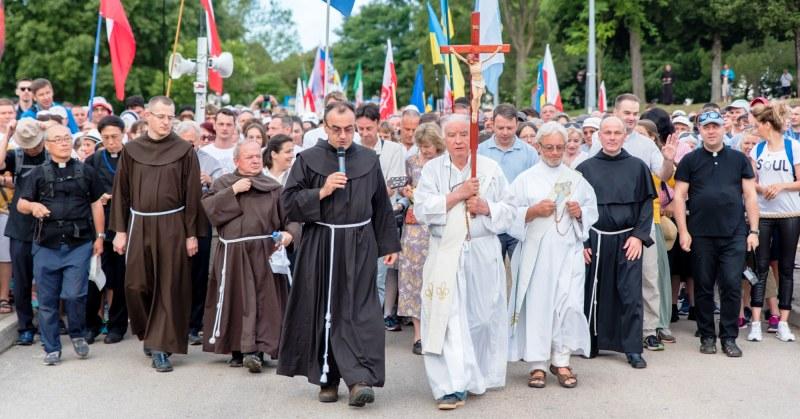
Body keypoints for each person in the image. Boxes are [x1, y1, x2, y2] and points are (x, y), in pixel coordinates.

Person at [277, 102, 400, 407]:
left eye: (349, 129)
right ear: (325, 127)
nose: (344, 135)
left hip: (359, 242)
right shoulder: (307, 159)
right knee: (323, 307)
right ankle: (327, 377)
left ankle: (359, 379)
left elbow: (381, 205)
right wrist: (320, 191)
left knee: (360, 311)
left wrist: (389, 246)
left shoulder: (369, 159)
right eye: (337, 129)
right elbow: (288, 204)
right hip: (322, 241)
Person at [415, 114, 513, 410]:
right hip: (446, 251)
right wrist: (457, 195)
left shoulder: (491, 169)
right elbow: (421, 209)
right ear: (444, 138)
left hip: (482, 249)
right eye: (452, 135)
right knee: (446, 319)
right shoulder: (432, 170)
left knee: (481, 317)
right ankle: (449, 386)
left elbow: (510, 210)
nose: (458, 141)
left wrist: (485, 207)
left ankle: (473, 376)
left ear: (472, 137)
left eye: (463, 135)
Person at [110, 96, 208, 372]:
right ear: (148, 117)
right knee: (136, 285)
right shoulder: (131, 150)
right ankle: (148, 331)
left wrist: (191, 234)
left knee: (168, 285)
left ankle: (160, 346)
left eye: (171, 117)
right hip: (140, 223)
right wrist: (119, 230)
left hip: (173, 224)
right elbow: (121, 192)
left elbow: (192, 195)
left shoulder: (183, 150)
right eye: (162, 116)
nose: (167, 122)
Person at [507, 122, 598, 389]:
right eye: (550, 147)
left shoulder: (576, 179)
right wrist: (532, 211)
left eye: (560, 147)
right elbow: (509, 214)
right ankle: (537, 364)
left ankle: (562, 359)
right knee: (539, 307)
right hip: (538, 254)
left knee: (568, 306)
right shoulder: (525, 179)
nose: (556, 152)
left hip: (568, 252)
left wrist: (580, 213)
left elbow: (592, 211)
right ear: (538, 147)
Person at [201, 140, 297, 373]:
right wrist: (233, 191)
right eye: (249, 157)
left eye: (257, 156)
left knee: (264, 302)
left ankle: (257, 350)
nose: (255, 160)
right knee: (237, 301)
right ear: (236, 161)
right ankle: (238, 349)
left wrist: (289, 234)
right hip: (233, 254)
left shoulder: (273, 187)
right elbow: (210, 212)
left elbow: (292, 218)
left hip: (264, 253)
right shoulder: (223, 183)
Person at [17, 123, 106, 365]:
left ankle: (77, 334)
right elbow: (21, 204)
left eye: (67, 138)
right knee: (47, 300)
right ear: (47, 145)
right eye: (58, 139)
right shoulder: (37, 174)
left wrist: (99, 237)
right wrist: (34, 206)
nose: (65, 142)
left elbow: (97, 204)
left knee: (76, 295)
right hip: (46, 245)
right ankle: (52, 347)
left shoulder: (86, 172)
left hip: (78, 244)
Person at [672, 110, 759, 358]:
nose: (711, 131)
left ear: (723, 128)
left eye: (715, 126)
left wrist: (753, 230)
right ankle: (707, 335)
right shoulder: (690, 160)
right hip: (700, 234)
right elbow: (679, 196)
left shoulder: (738, 159)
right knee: (703, 286)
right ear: (699, 130)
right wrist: (683, 231)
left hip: (733, 234)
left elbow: (751, 196)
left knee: (732, 284)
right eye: (706, 127)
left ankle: (729, 337)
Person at [576, 116, 656, 369]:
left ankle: (632, 348)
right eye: (607, 132)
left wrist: (639, 237)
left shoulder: (638, 167)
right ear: (599, 136)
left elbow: (646, 205)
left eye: (616, 133)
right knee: (593, 292)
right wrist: (583, 243)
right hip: (596, 238)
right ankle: (591, 341)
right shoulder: (585, 168)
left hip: (627, 239)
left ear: (624, 136)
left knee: (630, 294)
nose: (611, 137)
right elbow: (578, 210)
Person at [746, 102, 798, 342]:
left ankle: (784, 322)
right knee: (760, 266)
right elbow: (750, 183)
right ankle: (756, 321)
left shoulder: (793, 147)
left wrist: (781, 186)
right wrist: (761, 187)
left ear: (767, 125)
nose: (755, 129)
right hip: (763, 214)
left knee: (786, 268)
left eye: (758, 125)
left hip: (789, 214)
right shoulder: (757, 150)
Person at [355, 103, 406, 330]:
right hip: (356, 220)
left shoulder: (394, 150)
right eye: (361, 129)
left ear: (377, 124)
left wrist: (364, 193)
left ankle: (372, 325)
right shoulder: (352, 148)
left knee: (380, 276)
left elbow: (393, 186)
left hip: (382, 220)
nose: (365, 134)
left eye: (368, 128)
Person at [0, 118, 49, 345]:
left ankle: (51, 324)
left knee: (49, 279)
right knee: (22, 281)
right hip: (20, 227)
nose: (32, 147)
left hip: (48, 225)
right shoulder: (16, 156)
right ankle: (25, 326)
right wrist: (8, 136)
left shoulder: (51, 153)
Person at [397, 122, 445, 355]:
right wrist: (404, 195)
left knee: (437, 276)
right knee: (413, 277)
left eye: (429, 146)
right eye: (422, 146)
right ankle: (418, 334)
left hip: (438, 225)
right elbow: (404, 189)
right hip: (415, 228)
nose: (425, 150)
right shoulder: (412, 163)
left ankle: (438, 328)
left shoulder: (446, 163)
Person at [175, 119, 222, 346]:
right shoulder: (169, 160)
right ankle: (175, 323)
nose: (189, 148)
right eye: (185, 143)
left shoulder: (209, 162)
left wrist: (210, 181)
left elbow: (224, 189)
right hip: (174, 226)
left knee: (199, 276)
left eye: (193, 144)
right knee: (175, 276)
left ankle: (194, 325)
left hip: (201, 226)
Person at [83, 116, 128, 344]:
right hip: (99, 227)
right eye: (106, 137)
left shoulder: (133, 158)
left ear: (123, 134)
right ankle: (91, 324)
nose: (111, 142)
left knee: (120, 280)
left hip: (124, 226)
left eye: (115, 137)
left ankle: (117, 326)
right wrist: (98, 197)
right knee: (94, 278)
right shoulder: (93, 160)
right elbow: (86, 190)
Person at [477, 104, 539, 260]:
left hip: (518, 222)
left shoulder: (529, 153)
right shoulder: (480, 151)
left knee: (519, 271)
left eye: (509, 128)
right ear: (492, 124)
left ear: (517, 124)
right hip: (489, 222)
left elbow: (535, 186)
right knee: (490, 274)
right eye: (500, 128)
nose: (505, 132)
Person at [203, 108, 238, 174]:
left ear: (234, 127)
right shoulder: (204, 152)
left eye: (229, 125)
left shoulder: (241, 152)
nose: (224, 128)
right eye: (221, 124)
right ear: (214, 125)